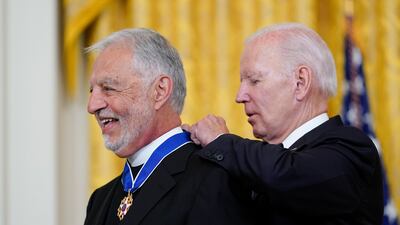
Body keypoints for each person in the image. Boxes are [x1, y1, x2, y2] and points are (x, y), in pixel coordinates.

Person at [185, 23, 383, 225]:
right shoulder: (253, 167)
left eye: (254, 81)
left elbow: (288, 175)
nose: (240, 96)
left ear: (300, 82)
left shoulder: (353, 149)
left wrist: (221, 142)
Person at [84, 28, 258, 225]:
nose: (92, 106)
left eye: (108, 88)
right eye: (92, 90)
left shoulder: (216, 179)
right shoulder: (100, 201)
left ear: (159, 91)